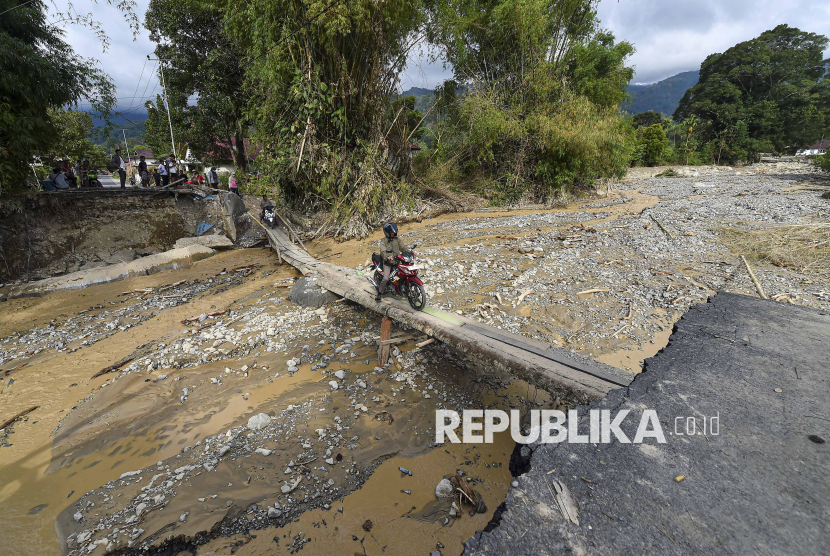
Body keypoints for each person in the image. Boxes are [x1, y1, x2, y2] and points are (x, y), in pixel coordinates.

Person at [376, 222, 408, 301]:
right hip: (388, 263)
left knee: (404, 273)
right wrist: (387, 257)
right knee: (386, 278)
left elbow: (403, 248)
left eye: (394, 232)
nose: (393, 234)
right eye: (392, 233)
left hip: (397, 261)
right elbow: (383, 252)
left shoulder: (397, 240)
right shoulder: (383, 241)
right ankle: (380, 293)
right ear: (387, 232)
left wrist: (410, 252)